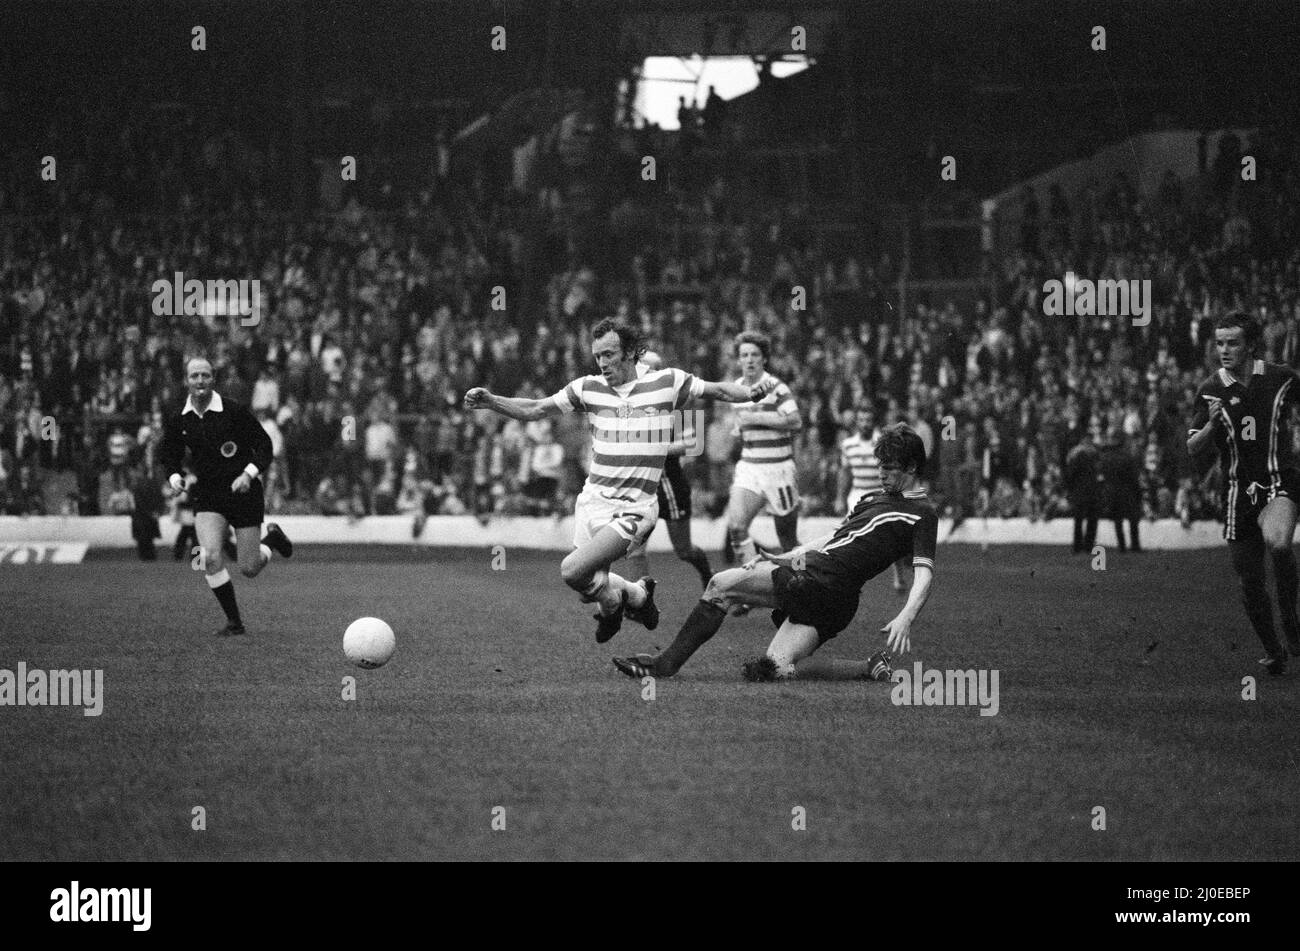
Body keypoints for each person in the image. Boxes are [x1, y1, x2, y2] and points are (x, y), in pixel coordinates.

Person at [463, 319, 774, 644]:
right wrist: (492, 400)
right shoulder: (588, 388)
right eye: (598, 356)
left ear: (629, 353)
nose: (603, 363)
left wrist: (751, 392)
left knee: (572, 570)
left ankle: (629, 599)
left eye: (609, 354)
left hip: (634, 507)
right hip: (593, 501)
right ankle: (629, 600)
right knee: (588, 589)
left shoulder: (667, 383)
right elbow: (537, 409)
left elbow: (720, 390)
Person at [613, 424, 936, 682]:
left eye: (889, 468)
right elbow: (833, 539)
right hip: (832, 595)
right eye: (880, 465)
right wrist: (781, 557)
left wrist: (905, 617)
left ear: (911, 467)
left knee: (721, 586)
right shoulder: (871, 500)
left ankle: (663, 666)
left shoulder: (921, 513)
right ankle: (867, 667)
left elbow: (924, 573)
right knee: (777, 668)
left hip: (822, 582)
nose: (881, 473)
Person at [1188, 313, 1300, 675]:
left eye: (1232, 342)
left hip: (1278, 481)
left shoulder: (1281, 378)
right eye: (1219, 343)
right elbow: (1193, 446)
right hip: (1238, 493)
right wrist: (1210, 425)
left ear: (1250, 344)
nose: (1224, 350)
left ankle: (1291, 622)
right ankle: (1274, 650)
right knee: (1250, 583)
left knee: (1280, 544)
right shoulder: (1210, 389)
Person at [160, 357, 294, 637]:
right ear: (187, 380)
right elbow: (169, 454)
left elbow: (264, 445)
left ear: (213, 378)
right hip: (208, 495)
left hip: (243, 493)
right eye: (195, 376)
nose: (200, 381)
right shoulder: (179, 418)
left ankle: (273, 540)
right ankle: (235, 622)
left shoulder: (232, 410)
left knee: (249, 567)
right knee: (209, 557)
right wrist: (175, 478)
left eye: (205, 376)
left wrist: (248, 474)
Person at [624, 350, 715, 590]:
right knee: (634, 548)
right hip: (641, 486)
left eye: (650, 368)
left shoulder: (681, 402)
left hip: (670, 486)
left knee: (684, 550)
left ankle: (708, 573)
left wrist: (657, 447)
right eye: (641, 368)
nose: (644, 374)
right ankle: (642, 598)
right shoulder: (629, 405)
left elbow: (694, 445)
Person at [725, 331, 803, 563]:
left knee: (787, 539)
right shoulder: (737, 388)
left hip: (778, 470)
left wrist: (757, 419)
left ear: (764, 359)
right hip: (749, 467)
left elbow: (796, 422)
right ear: (738, 360)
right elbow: (742, 426)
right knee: (737, 528)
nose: (749, 359)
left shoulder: (776, 387)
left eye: (755, 355)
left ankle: (805, 581)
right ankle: (750, 586)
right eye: (744, 355)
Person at [838, 403, 911, 592]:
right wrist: (840, 496)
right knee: (849, 535)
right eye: (861, 420)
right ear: (856, 422)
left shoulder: (882, 443)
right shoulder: (848, 445)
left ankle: (899, 574)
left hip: (879, 491)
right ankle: (849, 578)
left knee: (891, 536)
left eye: (868, 420)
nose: (864, 424)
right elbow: (845, 472)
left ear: (873, 422)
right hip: (857, 493)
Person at [1100, 430, 1143, 552]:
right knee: (1132, 519)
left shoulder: (1105, 458)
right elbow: (1133, 477)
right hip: (1127, 490)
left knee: (1117, 520)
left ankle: (1122, 545)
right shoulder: (1127, 457)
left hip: (1112, 491)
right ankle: (1134, 544)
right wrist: (1137, 492)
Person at [1065, 433, 1101, 553]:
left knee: (1079, 519)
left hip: (1079, 491)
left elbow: (1071, 474)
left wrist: (1070, 489)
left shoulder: (1076, 455)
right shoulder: (1096, 454)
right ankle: (1089, 545)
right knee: (1092, 519)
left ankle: (1077, 546)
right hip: (1092, 491)